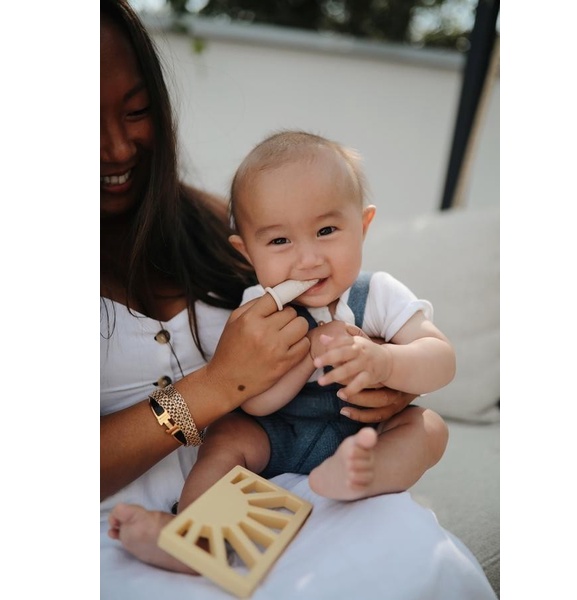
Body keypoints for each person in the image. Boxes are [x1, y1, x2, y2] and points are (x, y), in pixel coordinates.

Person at [100, 2, 497, 598]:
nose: (118, 148)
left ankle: (360, 478)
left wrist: (385, 370)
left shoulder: (226, 231)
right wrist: (221, 384)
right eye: (282, 241)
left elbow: (431, 358)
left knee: (425, 479)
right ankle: (186, 533)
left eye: (135, 111)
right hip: (230, 469)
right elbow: (253, 401)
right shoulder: (263, 272)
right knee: (234, 442)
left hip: (316, 476)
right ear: (254, 245)